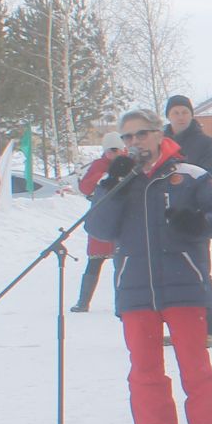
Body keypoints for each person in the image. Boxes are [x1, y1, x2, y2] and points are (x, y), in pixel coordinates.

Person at [85, 108, 212, 424]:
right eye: (127, 137)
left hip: (184, 286)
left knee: (195, 366)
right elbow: (99, 229)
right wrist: (113, 185)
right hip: (135, 290)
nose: (134, 142)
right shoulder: (117, 181)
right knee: (144, 370)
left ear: (159, 134)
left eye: (141, 134)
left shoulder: (190, 175)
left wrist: (199, 222)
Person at [164, 94, 212, 344]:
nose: (180, 116)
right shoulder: (160, 141)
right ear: (168, 115)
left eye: (184, 112)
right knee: (171, 274)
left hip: (194, 217)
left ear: (191, 115)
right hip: (166, 217)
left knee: (199, 272)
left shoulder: (203, 142)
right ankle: (181, 326)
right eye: (175, 112)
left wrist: (195, 202)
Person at [70, 133, 122, 313]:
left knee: (121, 264)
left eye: (117, 149)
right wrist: (102, 177)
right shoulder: (99, 166)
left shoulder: (128, 164)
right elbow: (85, 187)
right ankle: (83, 302)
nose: (114, 153)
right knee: (94, 261)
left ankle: (122, 303)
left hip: (121, 220)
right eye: (111, 150)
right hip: (101, 219)